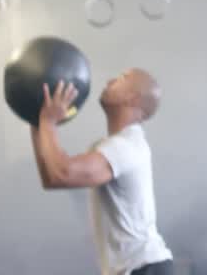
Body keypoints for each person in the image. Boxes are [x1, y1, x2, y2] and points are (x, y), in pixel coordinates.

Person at [32, 68, 173, 275]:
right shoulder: (113, 146)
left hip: (144, 268)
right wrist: (38, 123)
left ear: (132, 98)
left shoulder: (127, 147)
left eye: (122, 78)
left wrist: (48, 122)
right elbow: (51, 178)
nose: (110, 80)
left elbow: (61, 173)